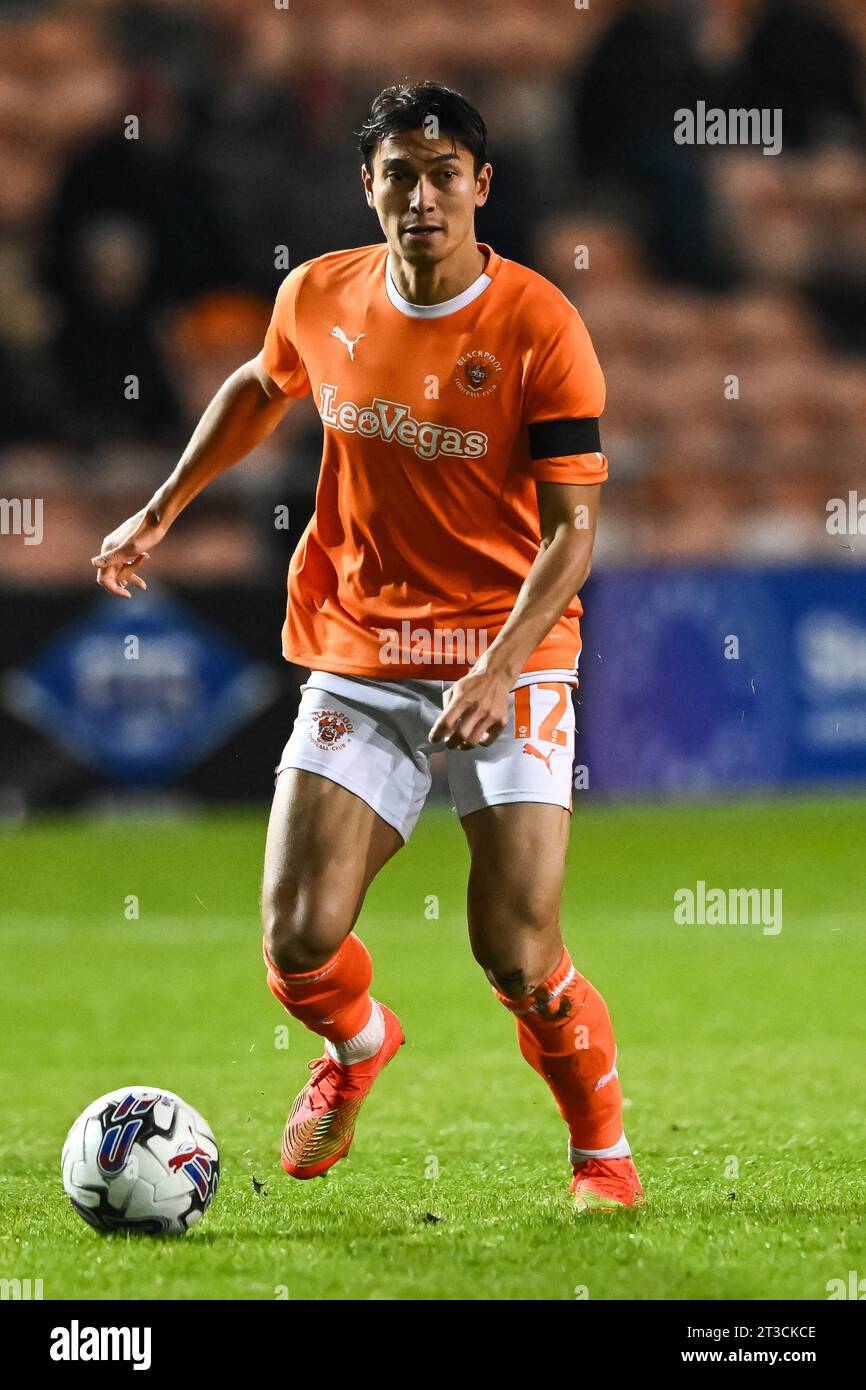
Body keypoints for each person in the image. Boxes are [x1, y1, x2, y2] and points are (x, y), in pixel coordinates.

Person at [91, 81, 644, 1212]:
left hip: (512, 651)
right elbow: (260, 384)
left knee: (517, 952)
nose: (423, 194)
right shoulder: (318, 293)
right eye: (400, 173)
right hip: (364, 642)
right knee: (297, 940)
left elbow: (573, 530)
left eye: (446, 174)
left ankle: (602, 1155)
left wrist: (496, 665)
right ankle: (356, 1046)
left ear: (481, 188)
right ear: (369, 186)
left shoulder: (538, 325)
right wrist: (160, 509)